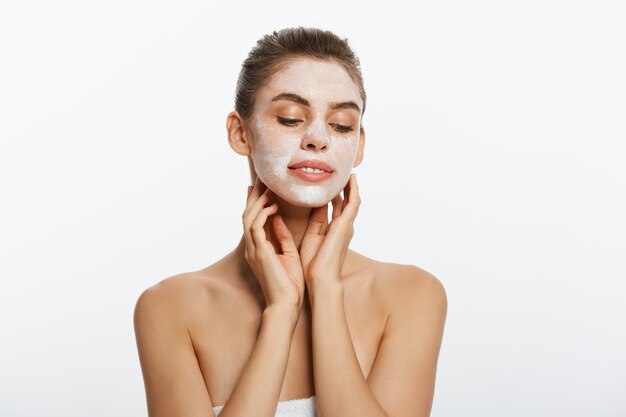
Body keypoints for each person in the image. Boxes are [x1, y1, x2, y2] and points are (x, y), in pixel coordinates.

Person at [133, 27, 448, 417]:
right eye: (291, 118)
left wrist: (326, 292)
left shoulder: (412, 295)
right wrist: (281, 310)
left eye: (342, 124)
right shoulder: (169, 308)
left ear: (359, 146)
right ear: (239, 132)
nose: (318, 137)